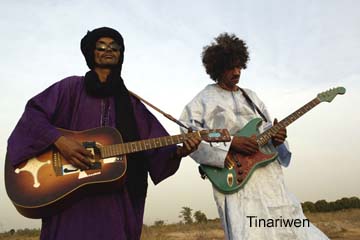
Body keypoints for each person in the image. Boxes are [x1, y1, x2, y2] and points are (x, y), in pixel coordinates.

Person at [6, 27, 201, 240]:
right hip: (67, 200)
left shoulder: (132, 104)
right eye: (102, 46)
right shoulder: (70, 88)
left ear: (121, 55)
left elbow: (155, 145)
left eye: (115, 47)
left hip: (115, 204)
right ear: (92, 52)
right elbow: (33, 116)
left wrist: (179, 152)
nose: (108, 50)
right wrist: (60, 141)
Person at [179, 33, 329, 239]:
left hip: (270, 178)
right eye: (231, 67)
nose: (237, 72)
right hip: (235, 178)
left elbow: (267, 127)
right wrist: (231, 144)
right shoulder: (203, 99)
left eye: (240, 66)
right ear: (217, 68)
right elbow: (189, 135)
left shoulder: (251, 97)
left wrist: (279, 138)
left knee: (292, 229)